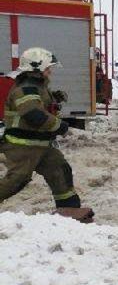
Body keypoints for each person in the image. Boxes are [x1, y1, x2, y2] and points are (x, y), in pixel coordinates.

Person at [0, 48, 80, 209]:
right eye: (47, 68)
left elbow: (39, 104)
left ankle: (69, 210)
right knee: (16, 180)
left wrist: (54, 98)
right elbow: (34, 115)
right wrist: (60, 126)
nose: (50, 71)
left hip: (41, 145)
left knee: (60, 170)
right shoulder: (26, 88)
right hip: (22, 146)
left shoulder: (37, 87)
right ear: (36, 68)